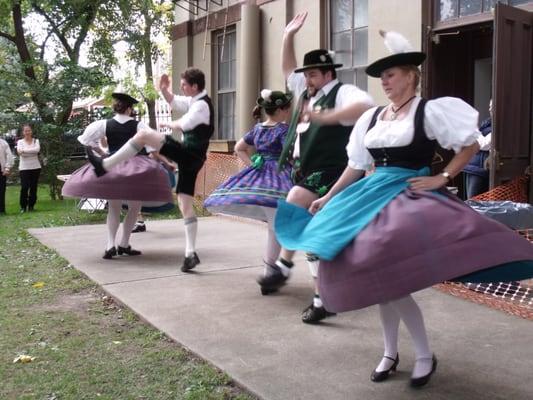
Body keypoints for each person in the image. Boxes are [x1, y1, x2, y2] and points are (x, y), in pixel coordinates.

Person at [274, 30, 533, 387]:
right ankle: (390, 352)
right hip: (371, 193)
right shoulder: (373, 117)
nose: (385, 81)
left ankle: (423, 355)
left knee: (389, 278)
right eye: (382, 77)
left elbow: (470, 145)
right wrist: (329, 197)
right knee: (376, 276)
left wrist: (442, 177)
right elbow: (356, 165)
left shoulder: (429, 112)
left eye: (391, 74)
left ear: (411, 75)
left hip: (408, 197)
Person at [257, 12, 374, 324]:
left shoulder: (343, 92)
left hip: (334, 171)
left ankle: (283, 264)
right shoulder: (306, 91)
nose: (305, 80)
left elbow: (367, 106)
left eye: (311, 75)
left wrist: (326, 116)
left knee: (295, 202)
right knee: (315, 235)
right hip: (307, 169)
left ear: (327, 74)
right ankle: (322, 298)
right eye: (305, 75)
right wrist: (287, 36)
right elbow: (287, 69)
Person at [84, 68, 214, 272]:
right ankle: (190, 253)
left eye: (184, 85)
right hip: (192, 159)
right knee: (184, 203)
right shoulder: (195, 100)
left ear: (195, 86)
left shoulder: (202, 106)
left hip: (188, 153)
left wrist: (166, 123)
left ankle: (106, 165)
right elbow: (175, 102)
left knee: (143, 136)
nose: (181, 88)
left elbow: (183, 124)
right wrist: (164, 90)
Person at [62, 92, 173, 259]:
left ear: (116, 108)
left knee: (113, 208)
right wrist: (167, 163)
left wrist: (102, 152)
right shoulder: (139, 126)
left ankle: (110, 246)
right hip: (136, 169)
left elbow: (86, 141)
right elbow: (152, 150)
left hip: (113, 168)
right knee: (135, 207)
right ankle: (124, 244)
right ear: (129, 109)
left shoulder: (104, 124)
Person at [204, 90, 293, 286]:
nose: (289, 110)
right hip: (280, 177)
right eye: (287, 107)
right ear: (281, 109)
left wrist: (252, 163)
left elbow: (238, 147)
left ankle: (270, 270)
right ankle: (270, 271)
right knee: (276, 226)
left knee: (273, 226)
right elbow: (293, 154)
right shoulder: (284, 130)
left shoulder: (258, 129)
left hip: (261, 176)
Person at [463, 99, 492, 198]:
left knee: (474, 201)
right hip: (473, 166)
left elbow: (483, 144)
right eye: (489, 106)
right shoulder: (487, 123)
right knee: (471, 201)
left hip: (480, 169)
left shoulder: (497, 125)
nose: (490, 109)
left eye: (493, 106)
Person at [16, 124, 41, 212]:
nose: (27, 132)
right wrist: (30, 152)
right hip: (24, 168)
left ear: (31, 131)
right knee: (24, 187)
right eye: (25, 131)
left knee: (33, 187)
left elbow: (37, 150)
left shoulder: (36, 141)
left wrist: (24, 151)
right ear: (23, 132)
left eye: (29, 130)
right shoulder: (20, 142)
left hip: (35, 167)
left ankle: (31, 206)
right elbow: (19, 153)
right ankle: (23, 206)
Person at [0, 136, 15, 214]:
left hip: (1, 170)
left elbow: (9, 156)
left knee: (1, 191)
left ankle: (1, 210)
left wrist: (7, 168)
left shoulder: (3, 143)